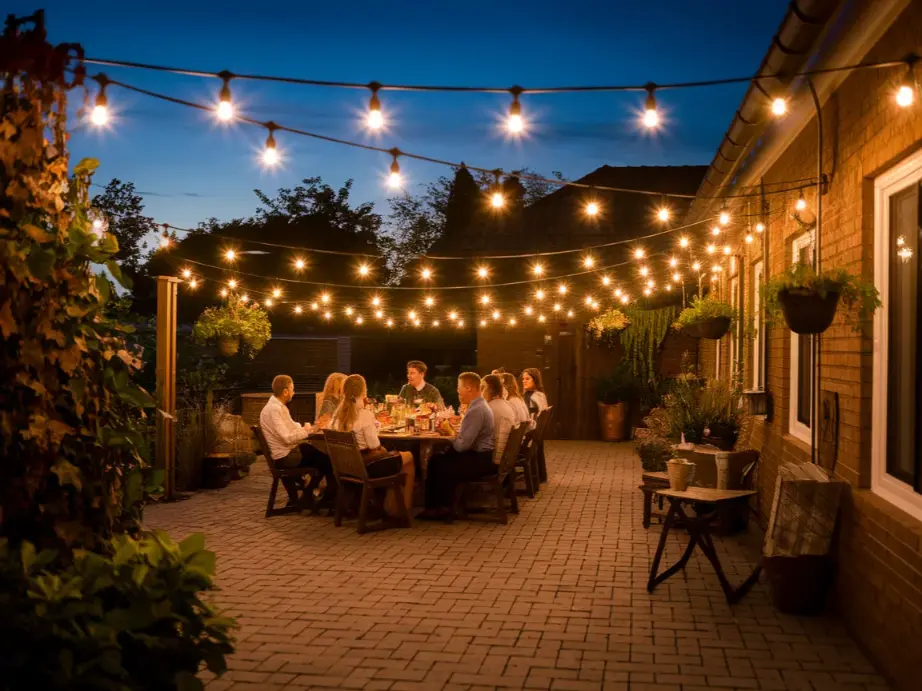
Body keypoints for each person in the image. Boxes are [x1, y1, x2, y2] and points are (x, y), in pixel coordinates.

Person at [331, 374, 415, 516]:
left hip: (346, 467)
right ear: (363, 392)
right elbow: (374, 444)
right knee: (408, 456)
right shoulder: (364, 414)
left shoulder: (337, 415)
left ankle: (381, 503)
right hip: (366, 468)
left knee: (389, 454)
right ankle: (400, 510)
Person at [417, 372, 494, 520]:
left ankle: (441, 509)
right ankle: (439, 506)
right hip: (483, 456)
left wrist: (448, 432)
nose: (457, 390)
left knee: (438, 464)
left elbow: (461, 447)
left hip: (481, 461)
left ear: (469, 388)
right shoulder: (479, 405)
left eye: (459, 387)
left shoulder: (476, 410)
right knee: (437, 460)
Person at [259, 374, 337, 506]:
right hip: (285, 456)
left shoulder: (278, 407)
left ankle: (310, 495)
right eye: (292, 389)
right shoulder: (274, 410)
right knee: (329, 461)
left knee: (318, 455)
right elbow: (287, 438)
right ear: (285, 391)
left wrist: (311, 427)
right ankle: (320, 498)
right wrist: (310, 430)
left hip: (288, 452)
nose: (293, 392)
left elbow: (292, 427)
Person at [482, 374, 516, 460]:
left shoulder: (488, 408)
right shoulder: (508, 404)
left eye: (482, 388)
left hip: (494, 459)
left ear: (490, 390)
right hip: (507, 457)